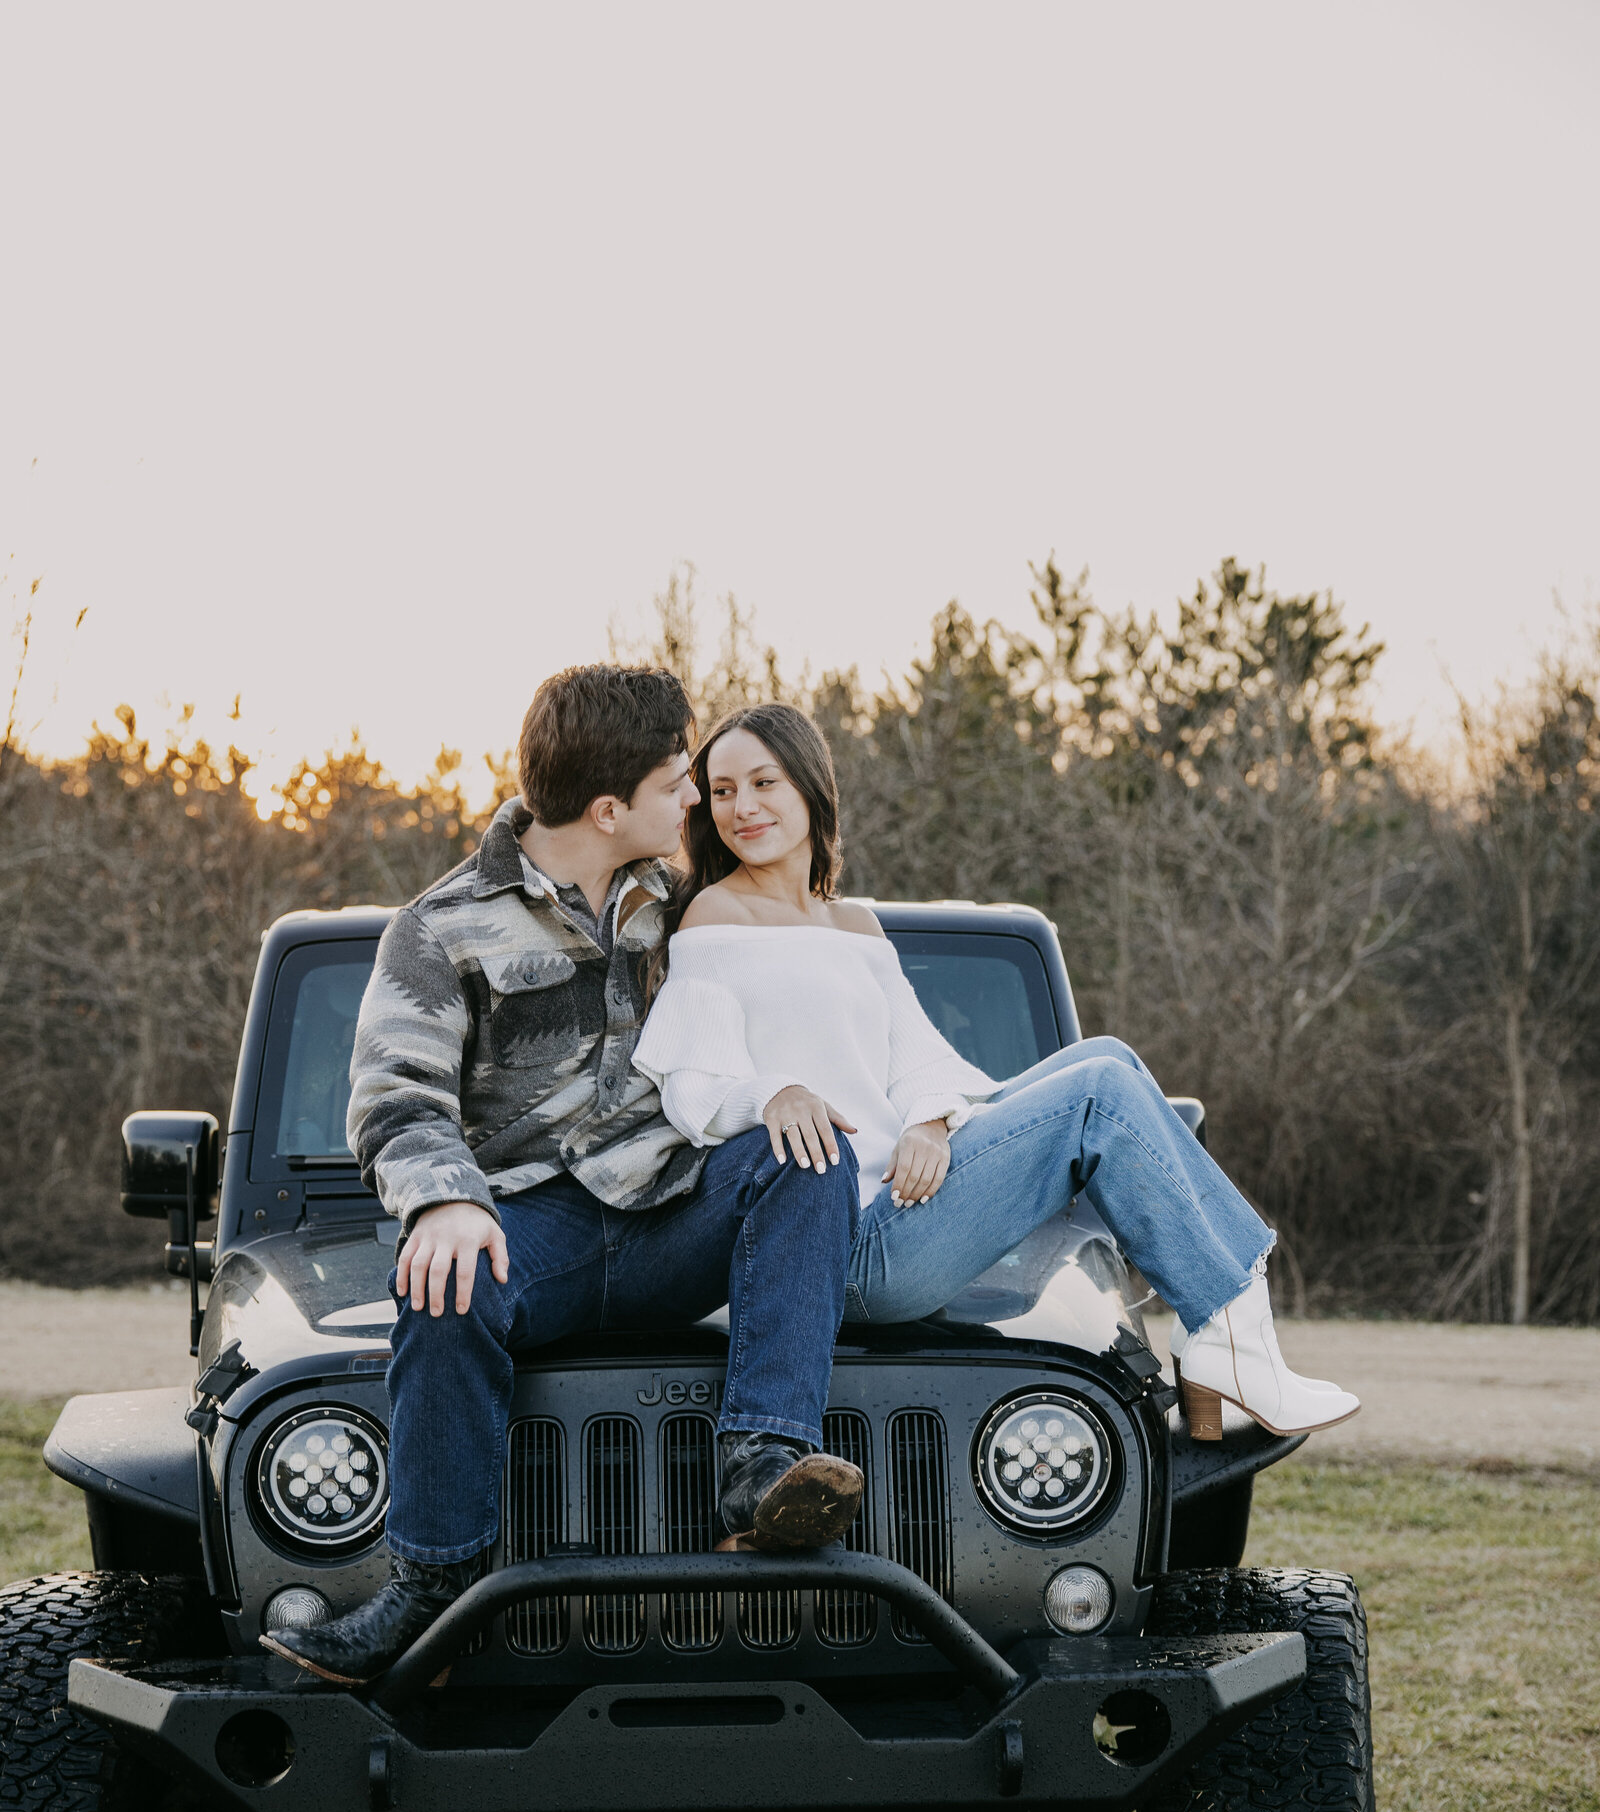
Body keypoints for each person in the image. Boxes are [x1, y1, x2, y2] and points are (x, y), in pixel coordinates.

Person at [261, 667, 864, 1688]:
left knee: (807, 1152)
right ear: (606, 808)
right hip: (529, 1230)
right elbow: (391, 1094)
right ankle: (432, 1591)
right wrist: (445, 1198)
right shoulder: (440, 927)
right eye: (680, 781)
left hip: (677, 1213)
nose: (696, 800)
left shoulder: (681, 905)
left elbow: (810, 987)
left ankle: (764, 1471)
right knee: (436, 1278)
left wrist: (797, 1088)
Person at [632, 702, 1360, 1443]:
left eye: (764, 782)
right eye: (721, 791)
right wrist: (773, 1095)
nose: (742, 807)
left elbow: (920, 1061)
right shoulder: (717, 918)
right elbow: (692, 1085)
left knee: (1107, 1058)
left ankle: (1227, 1339)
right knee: (1098, 1097)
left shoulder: (850, 923)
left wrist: (929, 1119)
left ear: (811, 787)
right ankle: (1228, 1340)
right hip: (841, 1242)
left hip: (906, 1206)